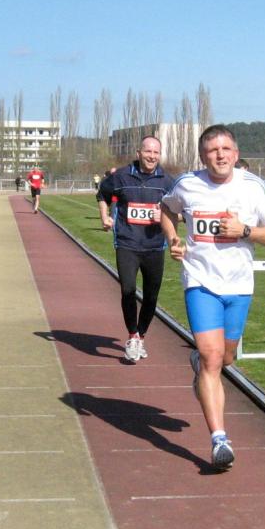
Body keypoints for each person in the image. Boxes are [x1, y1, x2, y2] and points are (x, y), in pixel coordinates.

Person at [161, 125, 265, 470]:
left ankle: (201, 366)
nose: (220, 155)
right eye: (213, 150)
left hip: (239, 284)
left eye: (226, 149)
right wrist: (173, 239)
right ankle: (219, 440)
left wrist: (245, 230)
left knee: (226, 357)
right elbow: (167, 210)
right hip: (200, 281)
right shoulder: (187, 184)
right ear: (203, 156)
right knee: (212, 357)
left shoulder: (253, 186)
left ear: (236, 153)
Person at [96, 136, 173, 363]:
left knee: (151, 296)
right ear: (138, 153)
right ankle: (132, 337)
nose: (152, 156)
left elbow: (180, 211)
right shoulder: (121, 176)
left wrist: (165, 216)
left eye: (156, 152)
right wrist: (104, 216)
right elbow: (102, 194)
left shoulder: (168, 181)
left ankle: (141, 336)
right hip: (127, 243)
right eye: (148, 151)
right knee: (128, 290)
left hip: (155, 246)